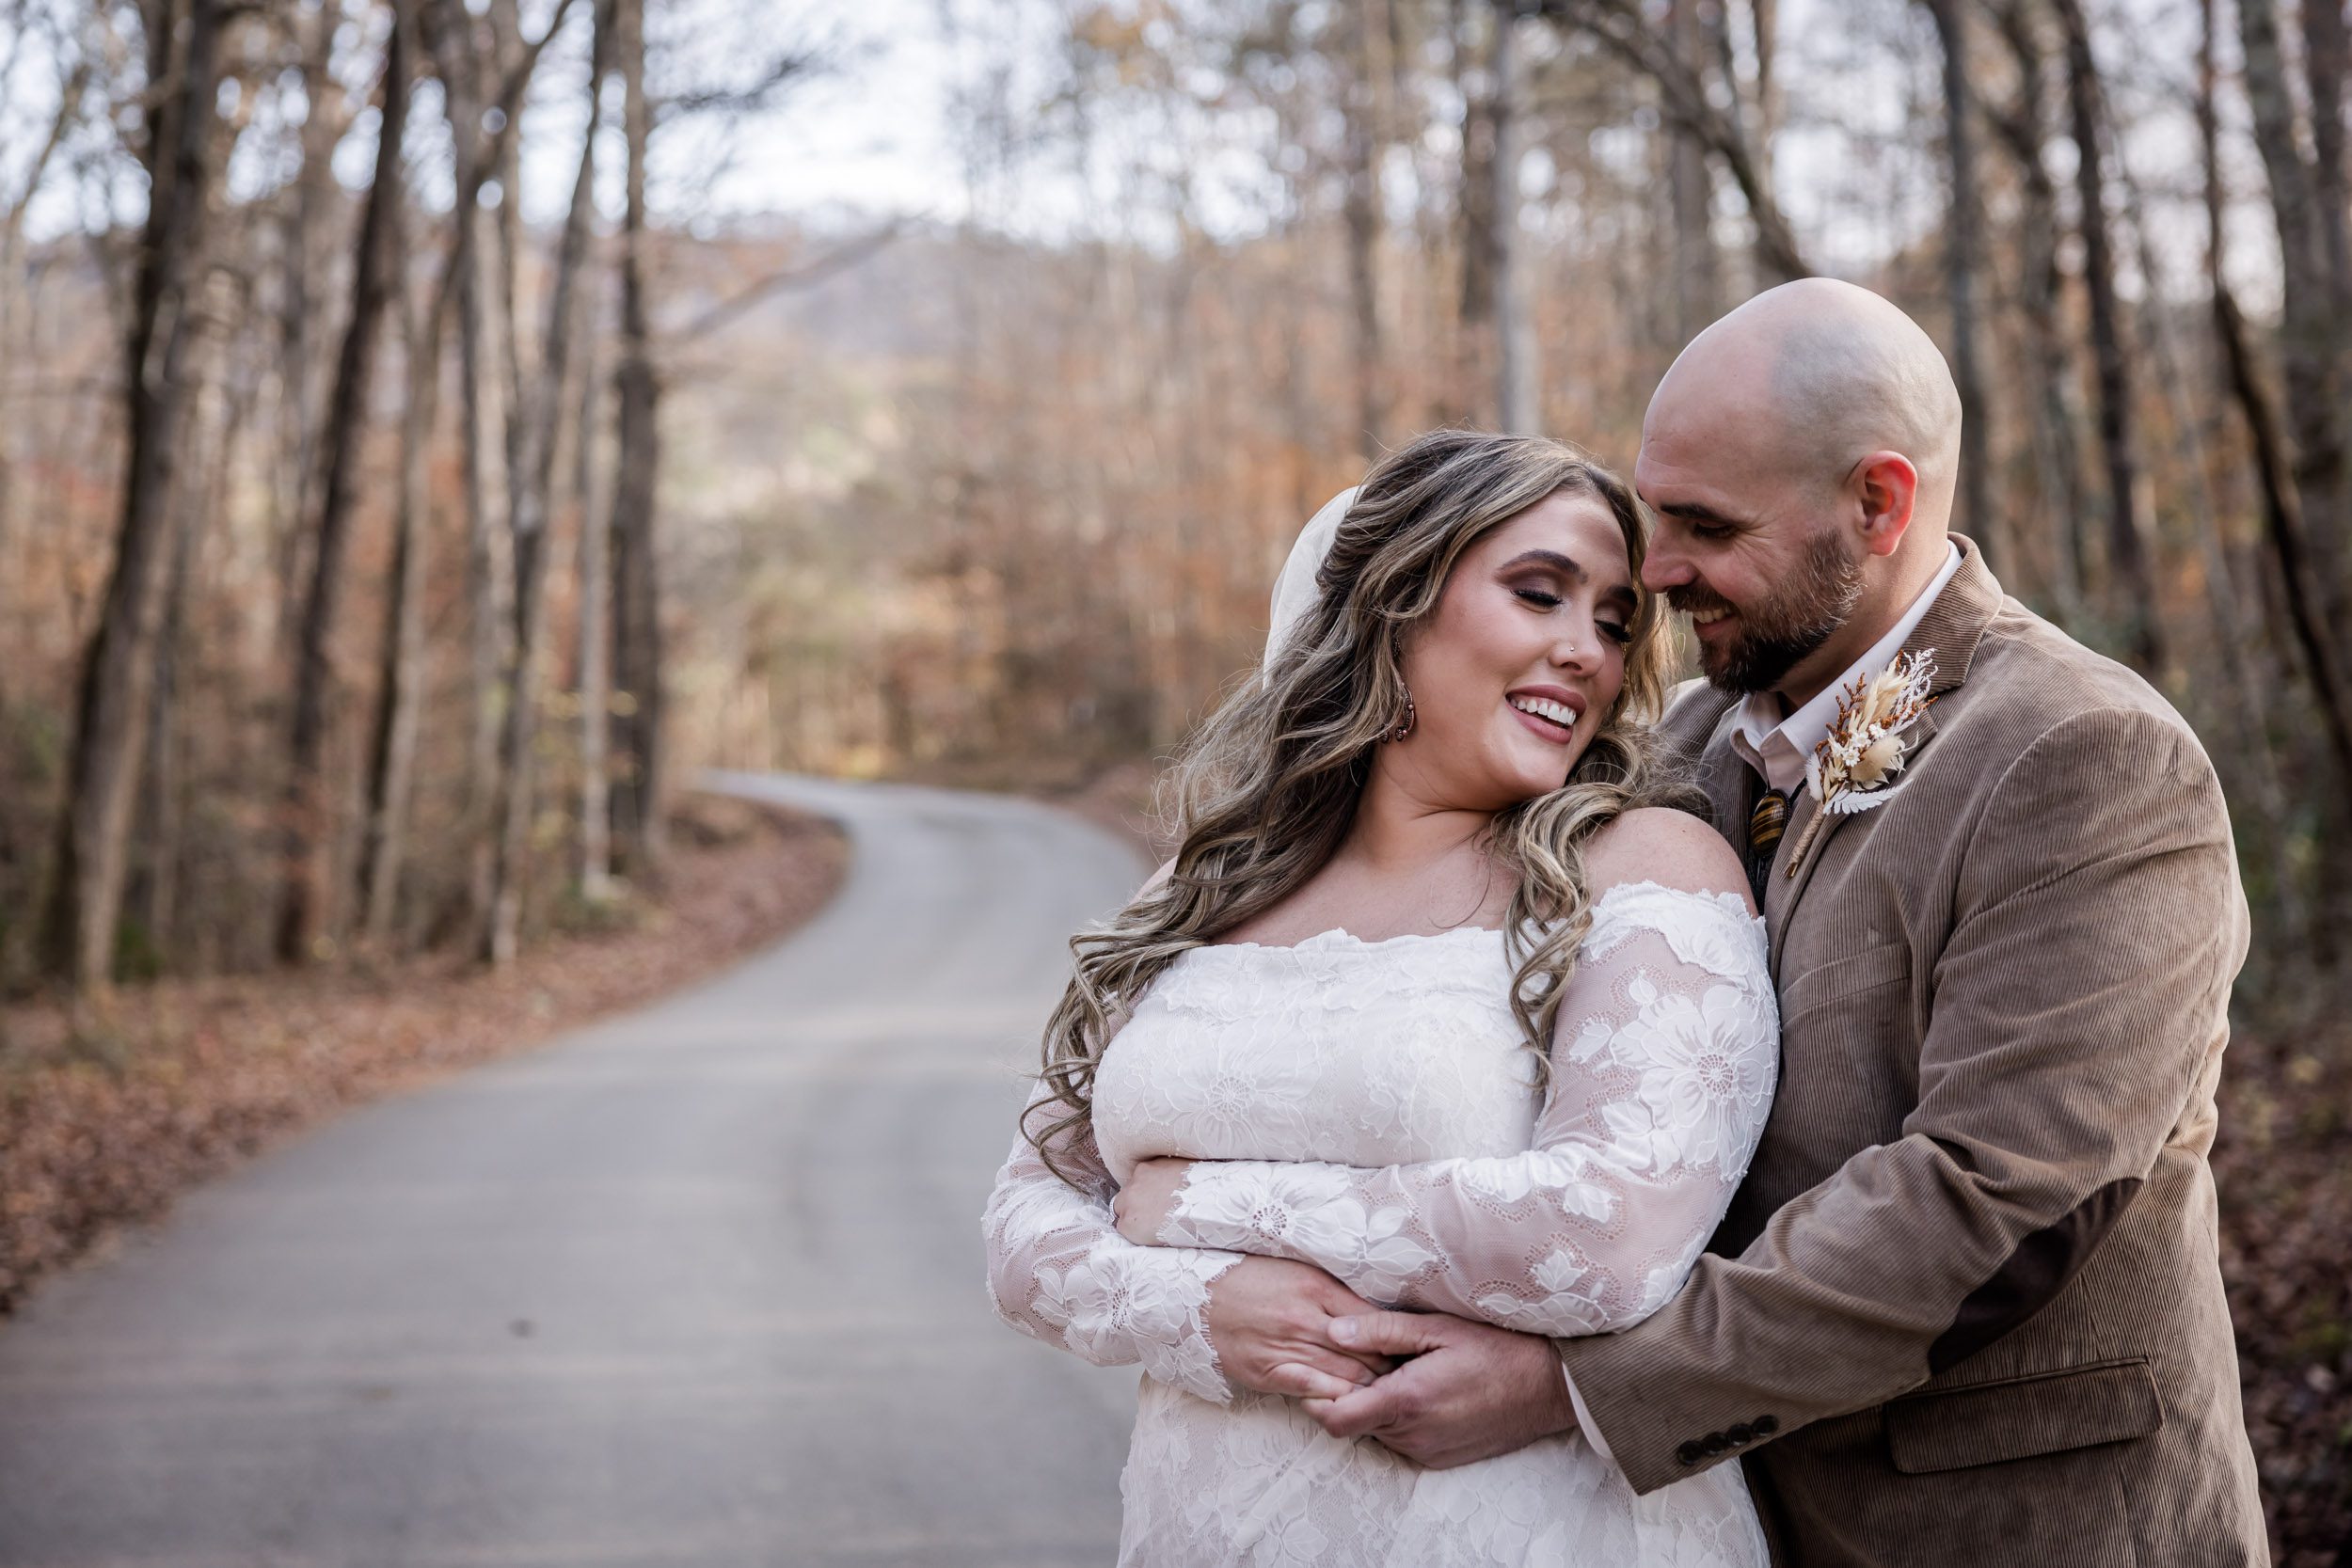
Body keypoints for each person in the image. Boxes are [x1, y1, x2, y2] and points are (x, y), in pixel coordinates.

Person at [1274, 280, 2268, 1566]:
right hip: (1731, 1516)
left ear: (1879, 503)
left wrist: (1574, 1387)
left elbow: (1993, 1197)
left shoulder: (2089, 757)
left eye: (1704, 524)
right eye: (1654, 515)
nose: (1658, 569)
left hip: (2014, 1523)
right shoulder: (1682, 748)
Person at [982, 429, 1782, 1564]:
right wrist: (1202, 1310)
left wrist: (1189, 1211)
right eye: (1537, 593)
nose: (1584, 652)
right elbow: (1022, 1229)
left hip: (1523, 1526)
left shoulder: (1638, 862)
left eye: (1611, 620)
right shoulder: (1197, 889)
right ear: (1391, 603)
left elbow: (1608, 1237)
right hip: (1208, 1519)